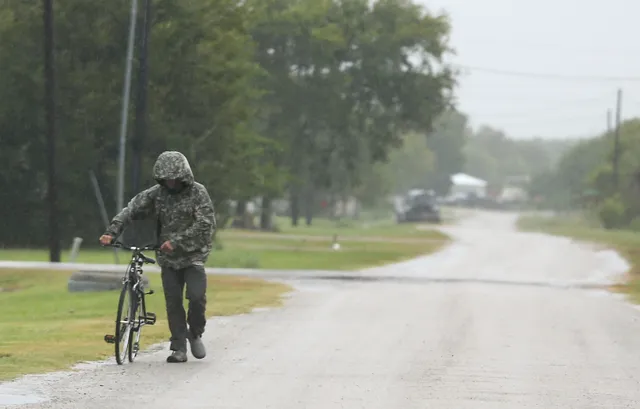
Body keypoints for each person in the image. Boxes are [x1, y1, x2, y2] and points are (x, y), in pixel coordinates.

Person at [99, 151, 216, 363]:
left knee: (196, 297)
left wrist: (177, 242)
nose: (170, 183)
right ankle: (178, 347)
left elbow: (204, 224)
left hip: (193, 255)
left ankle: (195, 332)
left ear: (183, 176)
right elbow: (131, 209)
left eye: (174, 178)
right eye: (166, 179)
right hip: (168, 258)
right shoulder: (157, 194)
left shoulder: (198, 193)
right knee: (173, 302)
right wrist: (112, 231)